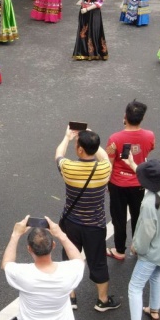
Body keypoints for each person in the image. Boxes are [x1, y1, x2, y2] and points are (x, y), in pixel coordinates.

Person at [116, 160, 160, 320]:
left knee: (135, 287)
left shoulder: (149, 203)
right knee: (155, 276)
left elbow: (146, 234)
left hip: (154, 252)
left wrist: (136, 247)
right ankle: (154, 310)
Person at [56, 127, 114, 310]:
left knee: (69, 259)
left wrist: (66, 137)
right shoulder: (105, 168)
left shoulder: (69, 168)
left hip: (71, 223)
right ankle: (102, 300)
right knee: (97, 261)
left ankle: (71, 297)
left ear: (80, 150)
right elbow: (104, 157)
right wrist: (91, 137)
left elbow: (58, 154)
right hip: (95, 225)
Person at [106, 101, 155, 261]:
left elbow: (109, 162)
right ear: (142, 118)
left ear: (125, 116)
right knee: (138, 217)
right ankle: (137, 247)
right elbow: (149, 149)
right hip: (139, 183)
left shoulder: (115, 139)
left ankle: (119, 250)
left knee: (118, 218)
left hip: (118, 183)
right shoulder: (149, 135)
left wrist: (107, 182)